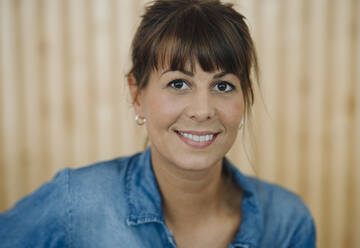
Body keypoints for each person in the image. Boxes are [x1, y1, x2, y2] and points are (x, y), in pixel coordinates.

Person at [0, 0, 316, 247]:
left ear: (244, 98)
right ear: (137, 95)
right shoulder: (76, 204)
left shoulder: (287, 222)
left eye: (223, 86)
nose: (202, 111)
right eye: (179, 84)